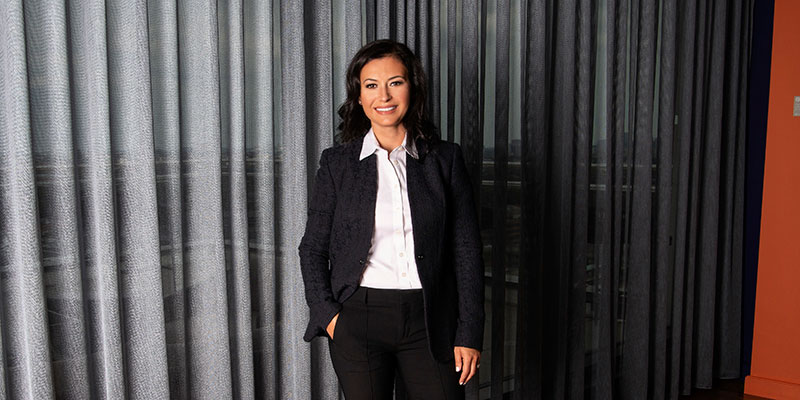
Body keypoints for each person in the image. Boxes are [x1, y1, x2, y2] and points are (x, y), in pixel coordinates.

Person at [299, 39, 484, 400]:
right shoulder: (337, 164)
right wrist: (330, 317)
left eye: (395, 82)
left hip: (431, 318)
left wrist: (469, 331)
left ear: (412, 88)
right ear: (359, 96)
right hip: (358, 319)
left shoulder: (445, 160)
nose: (383, 96)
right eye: (371, 85)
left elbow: (466, 251)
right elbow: (313, 248)